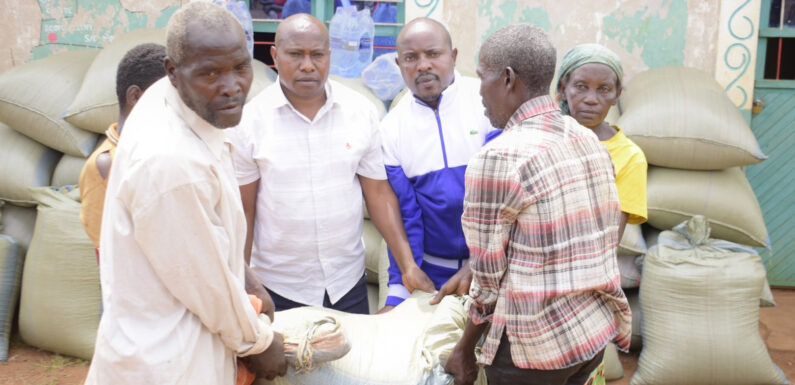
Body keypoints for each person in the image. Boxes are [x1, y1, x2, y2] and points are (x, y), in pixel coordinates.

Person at [84, 3, 286, 384]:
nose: (232, 86)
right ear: (173, 71)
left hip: (171, 346)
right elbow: (206, 284)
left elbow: (203, 237)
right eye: (210, 73)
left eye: (241, 67)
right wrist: (258, 344)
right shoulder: (170, 163)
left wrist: (247, 279)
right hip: (168, 363)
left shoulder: (174, 99)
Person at [445, 24, 632, 385]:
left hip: (533, 353)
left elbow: (486, 283)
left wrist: (465, 349)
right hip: (590, 337)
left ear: (508, 79)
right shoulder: (587, 138)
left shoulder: (498, 157)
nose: (479, 92)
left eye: (482, 77)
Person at [228, 13, 416, 314]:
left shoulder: (360, 112)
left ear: (329, 56)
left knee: (352, 361)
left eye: (317, 55)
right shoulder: (249, 123)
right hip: (278, 287)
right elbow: (243, 210)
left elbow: (378, 195)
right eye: (295, 54)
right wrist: (241, 283)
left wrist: (407, 264)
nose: (307, 65)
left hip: (346, 283)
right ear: (275, 55)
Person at [379, 17, 494, 311]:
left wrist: (479, 263)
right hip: (432, 275)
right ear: (399, 64)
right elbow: (406, 216)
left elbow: (506, 199)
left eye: (433, 54)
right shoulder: (392, 128)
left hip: (494, 266)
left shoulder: (487, 102)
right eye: (411, 58)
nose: (423, 65)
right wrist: (398, 292)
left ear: (453, 57)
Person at [556, 43, 648, 241]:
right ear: (564, 89)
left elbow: (610, 240)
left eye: (603, 89)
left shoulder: (629, 157)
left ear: (616, 95)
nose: (591, 99)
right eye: (581, 87)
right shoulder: (543, 137)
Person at [79, 43, 166, 251]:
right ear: (135, 96)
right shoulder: (106, 163)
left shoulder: (160, 149)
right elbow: (106, 252)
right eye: (167, 98)